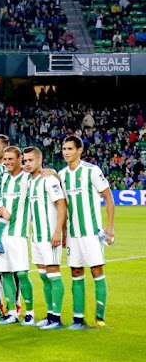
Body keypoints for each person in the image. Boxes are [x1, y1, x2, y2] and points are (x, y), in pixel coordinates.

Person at [59, 135, 115, 329]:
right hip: (73, 234)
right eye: (64, 149)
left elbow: (108, 197)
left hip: (91, 233)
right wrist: (64, 233)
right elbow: (63, 207)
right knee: (75, 271)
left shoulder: (92, 171)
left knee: (97, 270)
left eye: (70, 149)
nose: (66, 152)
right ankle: (78, 318)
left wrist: (110, 227)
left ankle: (99, 317)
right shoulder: (62, 175)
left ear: (79, 150)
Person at [23, 146, 67, 330]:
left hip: (50, 237)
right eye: (24, 161)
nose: (27, 164)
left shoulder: (48, 180)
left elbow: (62, 204)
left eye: (30, 160)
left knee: (54, 275)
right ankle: (49, 315)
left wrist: (58, 231)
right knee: (44, 277)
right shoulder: (31, 182)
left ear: (40, 161)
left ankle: (56, 318)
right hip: (36, 238)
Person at [0, 147, 35, 326]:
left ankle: (30, 312)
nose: (7, 162)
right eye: (5, 159)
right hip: (2, 233)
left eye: (11, 159)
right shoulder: (3, 180)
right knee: (5, 273)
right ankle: (11, 312)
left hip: (18, 234)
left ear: (19, 159)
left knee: (22, 273)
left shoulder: (28, 178)